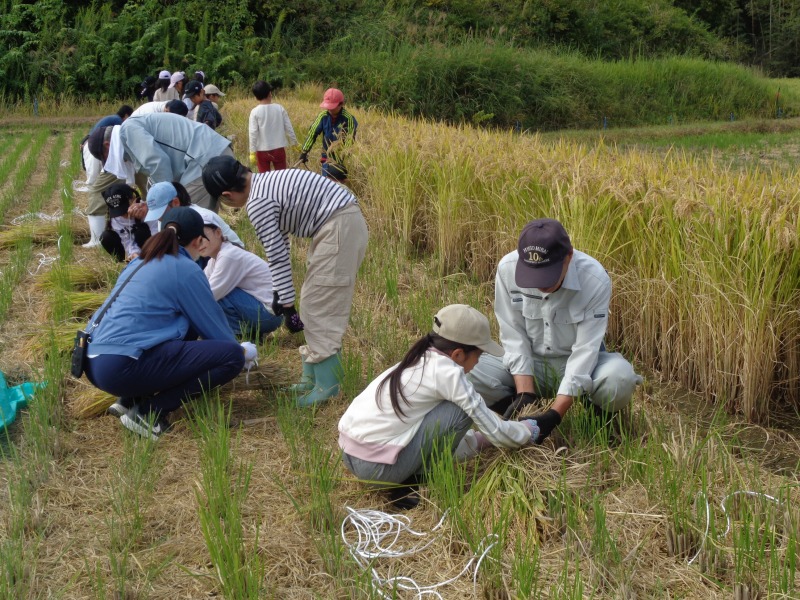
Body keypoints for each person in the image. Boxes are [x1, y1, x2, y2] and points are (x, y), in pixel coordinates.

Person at [338, 305, 546, 509]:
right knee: (460, 410)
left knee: (446, 409)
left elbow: (430, 430)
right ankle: (412, 482)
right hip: (378, 470)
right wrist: (529, 429)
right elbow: (497, 432)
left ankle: (406, 474)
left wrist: (478, 442)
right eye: (479, 355)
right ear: (458, 354)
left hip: (350, 455)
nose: (478, 363)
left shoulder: (419, 358)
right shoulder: (449, 373)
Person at [202, 156, 368, 406]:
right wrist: (282, 295)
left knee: (320, 306)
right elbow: (281, 243)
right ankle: (310, 378)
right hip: (338, 223)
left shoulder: (257, 202)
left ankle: (327, 387)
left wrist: (288, 307)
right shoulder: (265, 183)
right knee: (312, 301)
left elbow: (277, 256)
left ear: (227, 195)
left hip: (338, 226)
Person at [83, 207, 255, 440]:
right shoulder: (185, 268)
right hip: (122, 367)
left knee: (183, 324)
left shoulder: (139, 261)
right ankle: (149, 412)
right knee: (231, 356)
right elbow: (217, 333)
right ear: (198, 241)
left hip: (93, 362)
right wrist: (243, 352)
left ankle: (129, 400)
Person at [468, 218, 643, 440]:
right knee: (465, 369)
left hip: (578, 362)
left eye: (548, 274)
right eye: (533, 274)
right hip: (532, 363)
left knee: (619, 379)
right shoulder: (507, 269)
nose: (540, 284)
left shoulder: (595, 279)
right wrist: (525, 392)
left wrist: (555, 415)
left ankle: (595, 420)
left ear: (569, 256)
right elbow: (513, 334)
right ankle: (523, 413)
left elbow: (586, 350)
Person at [86, 112, 234, 212]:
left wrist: (160, 202)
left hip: (204, 158)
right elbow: (155, 174)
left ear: (108, 146)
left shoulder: (127, 131)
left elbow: (158, 163)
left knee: (187, 218)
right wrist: (149, 202)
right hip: (209, 155)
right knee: (205, 223)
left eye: (106, 158)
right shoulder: (129, 137)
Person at [199, 215, 283, 340]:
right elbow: (200, 285)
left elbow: (208, 295)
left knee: (219, 294)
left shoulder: (228, 256)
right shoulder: (215, 259)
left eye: (203, 237)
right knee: (211, 292)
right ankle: (247, 333)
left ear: (218, 232)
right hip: (268, 311)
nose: (199, 243)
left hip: (270, 314)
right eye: (194, 239)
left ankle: (244, 334)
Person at [80, 105, 135, 248]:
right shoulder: (124, 127)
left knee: (96, 191)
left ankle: (96, 241)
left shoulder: (118, 126)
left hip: (98, 148)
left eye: (105, 158)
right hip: (96, 147)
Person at [138, 180, 244, 248]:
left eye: (161, 213)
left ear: (175, 202)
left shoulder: (201, 219)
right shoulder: (163, 220)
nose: (159, 218)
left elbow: (215, 252)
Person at [299, 88, 357, 183]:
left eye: (332, 107)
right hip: (326, 155)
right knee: (326, 182)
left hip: (341, 158)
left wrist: (343, 158)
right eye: (328, 106)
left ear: (341, 104)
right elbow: (312, 134)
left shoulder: (348, 119)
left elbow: (350, 140)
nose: (330, 109)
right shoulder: (323, 116)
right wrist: (304, 151)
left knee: (338, 184)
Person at [99, 183, 157, 262]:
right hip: (134, 251)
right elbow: (126, 240)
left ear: (133, 198)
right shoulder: (116, 218)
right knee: (106, 236)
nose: (123, 215)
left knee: (140, 231)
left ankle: (150, 258)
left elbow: (156, 233)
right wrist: (133, 253)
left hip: (151, 244)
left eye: (125, 210)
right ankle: (124, 262)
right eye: (119, 212)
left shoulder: (147, 210)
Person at [248, 80, 297, 173]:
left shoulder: (254, 112)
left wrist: (252, 152)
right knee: (281, 176)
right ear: (270, 93)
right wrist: (294, 143)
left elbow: (253, 133)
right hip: (278, 149)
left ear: (256, 97)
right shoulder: (279, 108)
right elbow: (289, 128)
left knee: (264, 178)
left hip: (262, 151)